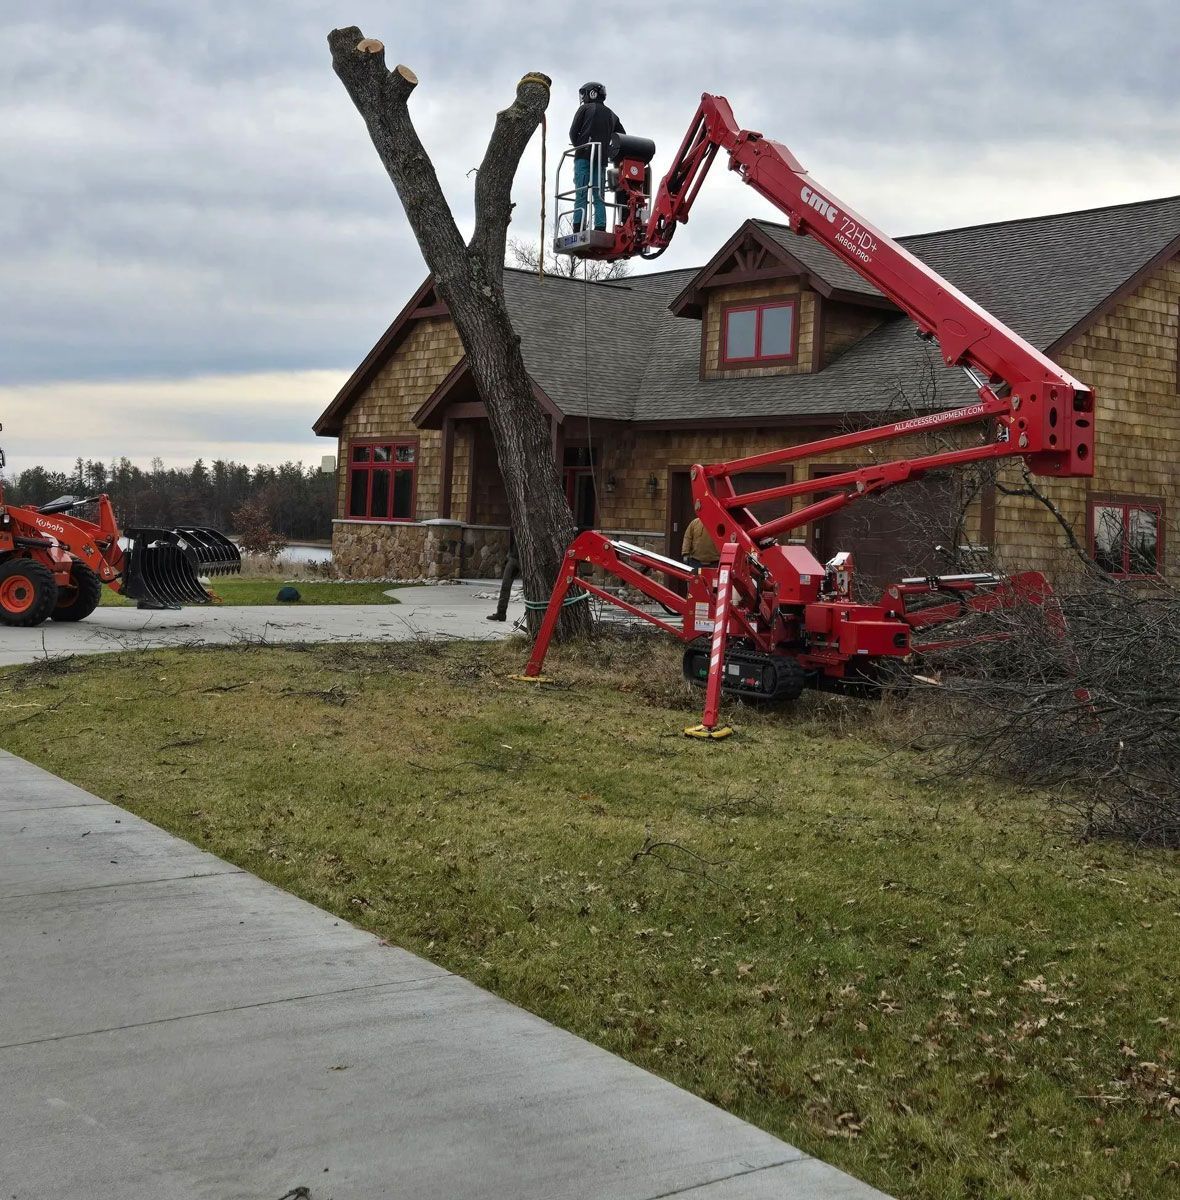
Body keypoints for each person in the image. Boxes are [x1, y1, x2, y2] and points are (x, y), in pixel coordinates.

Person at [569, 81, 624, 232]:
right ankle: (600, 226)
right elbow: (621, 136)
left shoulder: (584, 109)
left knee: (581, 192)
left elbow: (573, 132)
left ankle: (578, 227)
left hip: (583, 157)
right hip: (601, 159)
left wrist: (580, 146)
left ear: (591, 93)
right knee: (598, 194)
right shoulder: (612, 115)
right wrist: (608, 149)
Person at [487, 531, 519, 622]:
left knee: (530, 587)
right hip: (513, 558)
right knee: (505, 585)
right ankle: (501, 613)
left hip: (525, 558)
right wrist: (509, 556)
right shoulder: (515, 523)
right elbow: (511, 541)